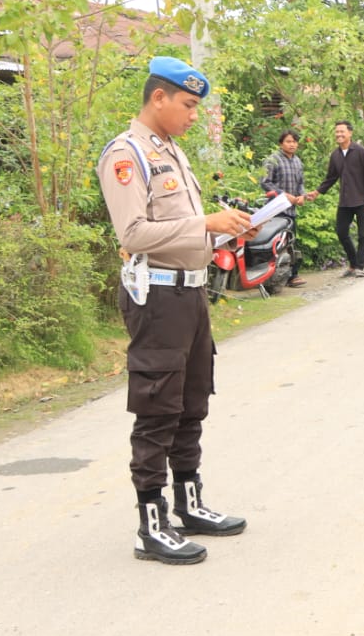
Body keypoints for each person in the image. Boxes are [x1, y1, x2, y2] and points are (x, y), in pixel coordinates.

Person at [96, 57, 254, 565]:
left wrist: (224, 228)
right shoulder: (126, 155)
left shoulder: (173, 153)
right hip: (158, 298)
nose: (192, 115)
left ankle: (189, 504)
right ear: (158, 98)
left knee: (190, 403)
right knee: (157, 408)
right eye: (187, 105)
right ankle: (151, 523)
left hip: (191, 293)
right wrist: (205, 223)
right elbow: (134, 234)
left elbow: (187, 229)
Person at [312, 120, 364, 277]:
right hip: (345, 201)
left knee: (363, 235)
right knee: (341, 232)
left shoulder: (361, 151)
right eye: (337, 132)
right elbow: (331, 177)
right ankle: (353, 264)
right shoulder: (335, 155)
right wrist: (317, 192)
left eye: (342, 131)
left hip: (362, 200)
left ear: (350, 133)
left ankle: (360, 267)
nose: (339, 134)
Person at [261, 129, 309, 287]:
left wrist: (301, 196)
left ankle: (292, 276)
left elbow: (300, 183)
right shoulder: (272, 160)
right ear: (281, 143)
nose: (292, 144)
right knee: (274, 244)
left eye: (294, 141)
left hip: (291, 211)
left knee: (291, 242)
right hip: (275, 210)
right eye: (288, 141)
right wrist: (283, 195)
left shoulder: (298, 161)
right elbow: (265, 182)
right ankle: (270, 278)